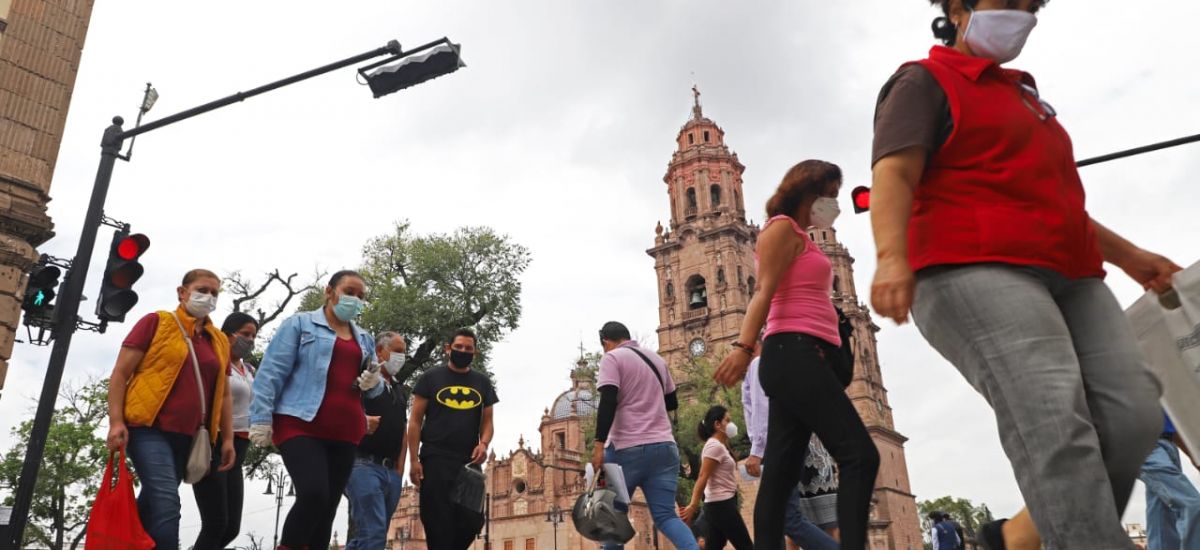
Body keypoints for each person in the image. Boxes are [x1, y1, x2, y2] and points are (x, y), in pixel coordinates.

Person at [869, 1, 1180, 548]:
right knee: (1054, 423)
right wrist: (891, 255)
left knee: (1133, 415)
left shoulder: (1026, 96)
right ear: (958, 7)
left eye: (1030, 5)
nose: (1021, 14)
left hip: (1074, 271)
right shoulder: (923, 81)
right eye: (1005, 2)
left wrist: (1130, 255)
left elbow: (1054, 203)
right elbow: (893, 172)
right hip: (971, 266)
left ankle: (1018, 537)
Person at [714, 160, 880, 550]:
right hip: (793, 353)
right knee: (860, 456)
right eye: (831, 196)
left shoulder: (800, 237)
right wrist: (741, 347)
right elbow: (763, 291)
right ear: (809, 191)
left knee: (780, 479)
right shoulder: (780, 229)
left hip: (801, 357)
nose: (834, 206)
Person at [249, 270, 383, 550]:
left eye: (361, 296)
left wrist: (373, 381)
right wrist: (261, 418)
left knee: (327, 510)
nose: (355, 300)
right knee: (314, 494)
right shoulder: (299, 325)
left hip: (345, 431)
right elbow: (271, 372)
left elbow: (374, 387)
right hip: (300, 423)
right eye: (349, 291)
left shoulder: (365, 339)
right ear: (330, 291)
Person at [105, 269, 235, 550]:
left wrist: (227, 439)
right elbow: (120, 374)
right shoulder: (156, 322)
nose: (208, 297)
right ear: (182, 292)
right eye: (202, 289)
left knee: (151, 505)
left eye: (215, 292)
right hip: (148, 429)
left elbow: (223, 394)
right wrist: (116, 421)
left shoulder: (219, 340)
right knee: (167, 501)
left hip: (191, 437)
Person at [590, 321, 698, 550]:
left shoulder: (612, 358)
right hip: (664, 449)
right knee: (667, 517)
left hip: (625, 449)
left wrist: (598, 446)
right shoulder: (657, 360)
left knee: (612, 517)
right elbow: (672, 402)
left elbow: (608, 401)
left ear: (606, 342)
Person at [407, 327, 497, 550]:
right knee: (437, 522)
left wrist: (483, 443)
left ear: (474, 352)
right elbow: (415, 420)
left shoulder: (482, 383)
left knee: (472, 519)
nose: (463, 351)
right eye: (458, 347)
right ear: (448, 349)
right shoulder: (430, 378)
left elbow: (487, 422)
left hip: (468, 462)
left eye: (468, 348)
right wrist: (414, 460)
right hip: (435, 458)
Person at [743, 352, 839, 550]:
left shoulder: (759, 363)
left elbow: (762, 409)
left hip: (779, 446)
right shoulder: (790, 363)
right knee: (772, 519)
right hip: (794, 445)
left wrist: (757, 450)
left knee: (787, 519)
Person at [192, 311, 260, 550]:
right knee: (216, 523)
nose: (249, 340)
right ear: (228, 334)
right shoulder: (214, 360)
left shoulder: (249, 369)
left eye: (253, 335)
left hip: (240, 445)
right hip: (215, 440)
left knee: (231, 527)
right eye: (244, 334)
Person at [345, 331, 410, 550]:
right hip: (363, 464)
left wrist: (400, 468)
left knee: (370, 534)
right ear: (380, 351)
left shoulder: (400, 390)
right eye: (397, 351)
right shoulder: (364, 381)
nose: (401, 357)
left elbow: (403, 429)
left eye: (404, 352)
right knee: (373, 533)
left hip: (391, 472)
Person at [680, 406, 753, 550]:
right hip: (722, 504)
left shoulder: (719, 446)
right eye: (728, 420)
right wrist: (693, 505)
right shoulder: (714, 446)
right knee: (746, 546)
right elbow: (702, 476)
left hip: (718, 505)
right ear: (717, 424)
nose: (731, 424)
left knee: (714, 546)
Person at [1139, 414, 1200, 550]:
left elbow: (1174, 428)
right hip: (1141, 443)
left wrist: (1194, 457)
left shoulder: (1161, 395)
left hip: (1169, 446)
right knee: (1192, 503)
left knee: (1162, 520)